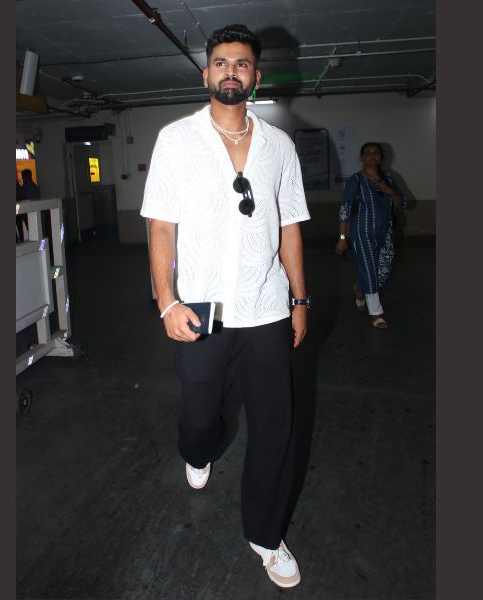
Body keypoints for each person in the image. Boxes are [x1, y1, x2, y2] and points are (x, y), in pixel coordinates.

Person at [140, 24, 310, 589]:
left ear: (256, 76)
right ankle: (199, 449)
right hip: (201, 307)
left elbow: (289, 226)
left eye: (241, 64)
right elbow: (161, 225)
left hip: (266, 308)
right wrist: (166, 300)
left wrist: (299, 298)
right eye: (220, 62)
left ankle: (266, 535)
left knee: (276, 428)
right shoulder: (176, 139)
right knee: (200, 417)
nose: (230, 71)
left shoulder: (279, 146)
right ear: (205, 74)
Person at [335, 142, 407, 328]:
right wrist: (342, 238)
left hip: (385, 233)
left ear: (381, 158)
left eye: (376, 152)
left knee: (383, 271)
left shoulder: (389, 179)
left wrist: (390, 191)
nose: (372, 155)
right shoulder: (356, 180)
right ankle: (376, 314)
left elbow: (401, 204)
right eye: (368, 152)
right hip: (361, 233)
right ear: (362, 158)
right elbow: (345, 208)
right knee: (369, 269)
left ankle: (360, 288)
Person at [16, 169, 41, 242]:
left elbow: (21, 197)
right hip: (34, 212)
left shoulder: (25, 188)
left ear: (26, 177)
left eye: (23, 177)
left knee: (30, 230)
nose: (22, 178)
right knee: (33, 231)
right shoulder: (35, 187)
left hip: (28, 213)